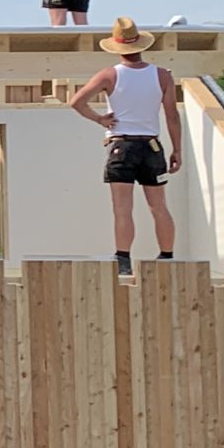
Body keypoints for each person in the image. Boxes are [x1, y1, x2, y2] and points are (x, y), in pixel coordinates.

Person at [67, 16, 186, 276]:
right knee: (159, 206)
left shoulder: (110, 75)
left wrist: (100, 119)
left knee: (122, 209)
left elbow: (76, 101)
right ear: (141, 45)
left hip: (121, 145)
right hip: (151, 146)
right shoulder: (162, 76)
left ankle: (123, 259)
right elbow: (172, 116)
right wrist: (177, 149)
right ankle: (167, 256)